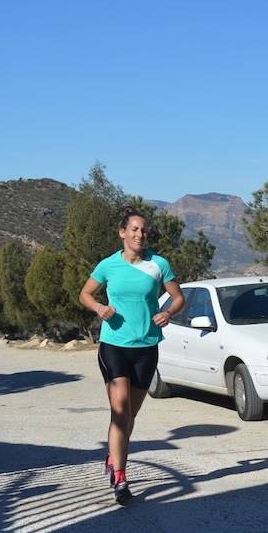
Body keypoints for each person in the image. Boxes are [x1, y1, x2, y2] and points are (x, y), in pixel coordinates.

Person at [79, 207, 184, 504]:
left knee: (131, 415)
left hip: (147, 347)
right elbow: (84, 294)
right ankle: (121, 478)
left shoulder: (158, 264)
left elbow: (178, 298)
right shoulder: (108, 265)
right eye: (134, 229)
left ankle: (113, 458)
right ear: (122, 233)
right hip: (114, 345)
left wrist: (168, 313)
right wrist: (99, 308)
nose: (140, 234)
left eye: (144, 230)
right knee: (121, 410)